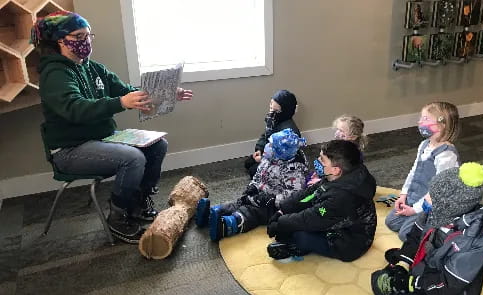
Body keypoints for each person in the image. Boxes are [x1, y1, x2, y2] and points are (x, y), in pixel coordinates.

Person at [31, 11, 193, 244]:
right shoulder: (55, 74)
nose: (86, 41)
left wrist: (165, 94)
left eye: (88, 35)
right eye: (78, 36)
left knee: (158, 145)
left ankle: (138, 205)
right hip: (69, 150)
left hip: (101, 139)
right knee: (133, 158)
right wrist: (120, 104)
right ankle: (117, 217)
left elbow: (126, 90)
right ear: (58, 41)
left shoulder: (93, 68)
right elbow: (75, 109)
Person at [371, 163, 483, 295]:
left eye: (431, 198)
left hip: (451, 290)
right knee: (385, 275)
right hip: (431, 266)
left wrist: (412, 283)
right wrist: (403, 263)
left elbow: (450, 283)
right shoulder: (434, 213)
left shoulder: (474, 244)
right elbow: (414, 237)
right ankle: (408, 276)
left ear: (449, 206)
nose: (425, 200)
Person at [265, 140, 377, 262]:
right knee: (296, 215)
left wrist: (281, 223)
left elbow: (310, 219)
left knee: (299, 235)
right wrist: (283, 209)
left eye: (322, 160)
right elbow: (310, 194)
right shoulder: (339, 176)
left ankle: (297, 247)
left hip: (350, 242)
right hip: (336, 217)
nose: (317, 160)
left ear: (335, 170)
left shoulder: (341, 196)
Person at [196, 129, 308, 241]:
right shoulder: (268, 159)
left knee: (252, 212)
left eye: (271, 145)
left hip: (271, 205)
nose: (267, 146)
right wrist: (253, 186)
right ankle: (213, 214)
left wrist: (273, 200)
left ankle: (227, 225)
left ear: (281, 152)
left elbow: (294, 195)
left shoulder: (294, 170)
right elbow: (258, 175)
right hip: (259, 194)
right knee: (240, 202)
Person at [386, 102, 460, 241]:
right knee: (391, 222)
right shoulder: (424, 144)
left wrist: (415, 210)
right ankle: (418, 219)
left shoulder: (446, 155)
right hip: (416, 196)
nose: (420, 122)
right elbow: (414, 171)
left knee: (406, 235)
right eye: (421, 118)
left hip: (433, 203)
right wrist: (404, 194)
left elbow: (439, 191)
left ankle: (439, 226)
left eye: (426, 119)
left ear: (442, 124)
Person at [244, 90, 301, 179]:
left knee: (253, 171)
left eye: (275, 110)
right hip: (268, 152)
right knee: (248, 163)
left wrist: (263, 159)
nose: (271, 112)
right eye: (271, 106)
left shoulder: (290, 133)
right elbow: (265, 135)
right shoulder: (273, 121)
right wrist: (259, 149)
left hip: (281, 162)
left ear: (284, 112)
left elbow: (283, 156)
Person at [307, 115, 367, 186]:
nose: (337, 133)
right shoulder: (341, 147)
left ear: (353, 137)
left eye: (341, 131)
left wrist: (320, 182)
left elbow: (340, 178)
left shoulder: (348, 155)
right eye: (337, 129)